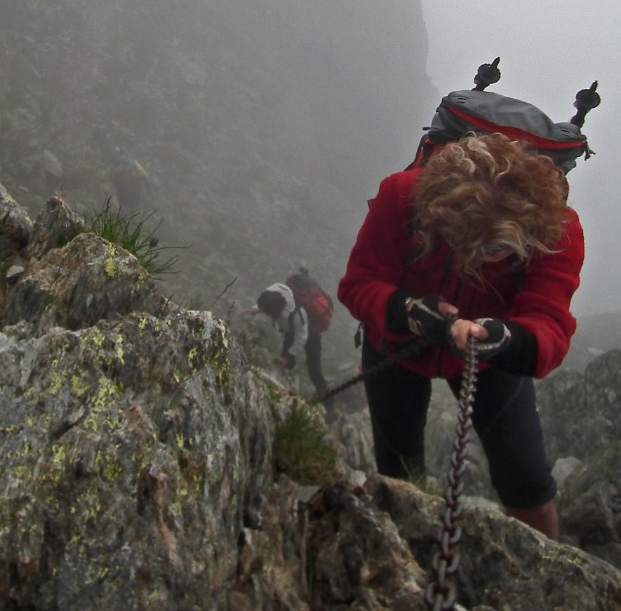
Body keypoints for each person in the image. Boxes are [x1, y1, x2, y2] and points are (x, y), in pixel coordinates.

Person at [337, 132, 583, 541]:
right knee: (399, 472)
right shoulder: (401, 197)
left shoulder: (559, 232)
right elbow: (360, 283)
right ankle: (403, 560)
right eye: (464, 245)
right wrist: (411, 312)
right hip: (400, 342)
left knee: (527, 482)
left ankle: (550, 577)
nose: (481, 259)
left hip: (489, 357)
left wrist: (509, 340)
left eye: (496, 251)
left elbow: (550, 325)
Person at [241, 283, 329, 393]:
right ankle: (285, 384)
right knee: (285, 358)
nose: (268, 315)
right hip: (292, 329)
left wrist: (289, 354)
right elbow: (266, 305)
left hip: (311, 333)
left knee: (313, 366)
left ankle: (325, 395)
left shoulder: (297, 314)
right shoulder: (275, 297)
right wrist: (253, 310)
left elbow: (301, 337)